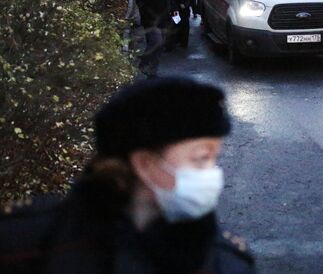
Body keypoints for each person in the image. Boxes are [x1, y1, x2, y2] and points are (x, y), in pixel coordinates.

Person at [0, 77, 256, 273]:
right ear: (144, 164)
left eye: (214, 159)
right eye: (201, 159)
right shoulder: (22, 245)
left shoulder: (226, 262)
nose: (213, 176)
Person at [134, 0, 177, 78]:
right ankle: (143, 62)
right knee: (156, 41)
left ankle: (152, 71)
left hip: (162, 16)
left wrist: (173, 8)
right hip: (150, 17)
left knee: (160, 44)